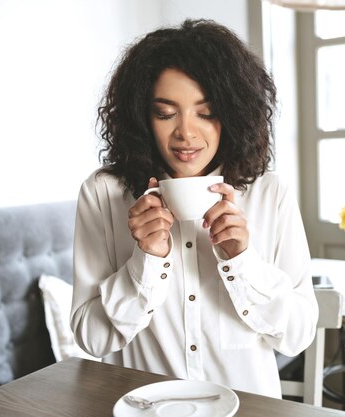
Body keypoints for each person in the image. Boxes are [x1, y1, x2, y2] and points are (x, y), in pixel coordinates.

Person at [70, 18, 318, 398]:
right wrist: (144, 263)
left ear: (234, 114)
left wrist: (244, 262)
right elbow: (91, 339)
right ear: (141, 117)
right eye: (166, 113)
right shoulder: (103, 194)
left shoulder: (270, 192)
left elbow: (298, 335)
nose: (186, 132)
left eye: (206, 112)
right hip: (147, 409)